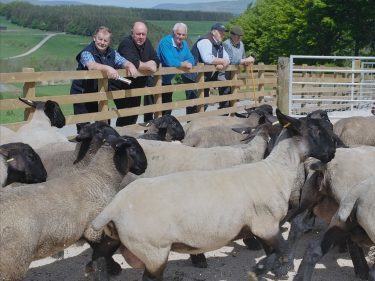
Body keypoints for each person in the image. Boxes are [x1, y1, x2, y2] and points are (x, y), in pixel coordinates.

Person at [70, 26, 138, 133]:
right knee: (84, 129)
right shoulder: (86, 52)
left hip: (100, 95)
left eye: (105, 40)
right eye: (100, 39)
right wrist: (108, 68)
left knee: (103, 126)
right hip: (82, 94)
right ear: (94, 38)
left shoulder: (112, 53)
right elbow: (91, 65)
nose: (102, 42)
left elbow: (123, 61)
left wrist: (130, 65)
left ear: (109, 41)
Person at [111, 21, 160, 126]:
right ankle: (121, 137)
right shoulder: (126, 43)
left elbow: (156, 60)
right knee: (126, 114)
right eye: (138, 34)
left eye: (143, 34)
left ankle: (128, 137)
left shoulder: (147, 43)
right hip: (121, 84)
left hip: (137, 85)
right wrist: (149, 65)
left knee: (134, 114)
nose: (141, 37)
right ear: (132, 33)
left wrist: (152, 64)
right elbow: (132, 61)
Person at [183, 22, 230, 114]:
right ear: (213, 32)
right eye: (221, 32)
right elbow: (207, 58)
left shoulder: (219, 44)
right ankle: (191, 126)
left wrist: (223, 64)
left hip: (203, 78)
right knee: (193, 104)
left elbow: (227, 58)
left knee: (204, 103)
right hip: (192, 77)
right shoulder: (205, 41)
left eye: (223, 32)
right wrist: (222, 61)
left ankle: (197, 124)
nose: (223, 34)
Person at [155, 22, 195, 116]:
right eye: (178, 34)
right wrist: (183, 64)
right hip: (155, 80)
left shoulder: (184, 44)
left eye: (183, 34)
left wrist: (188, 63)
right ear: (173, 32)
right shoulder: (165, 42)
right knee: (152, 110)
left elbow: (191, 59)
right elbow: (169, 61)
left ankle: (163, 130)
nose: (180, 37)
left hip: (167, 80)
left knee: (167, 109)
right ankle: (149, 131)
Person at [218, 25, 255, 108]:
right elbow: (230, 60)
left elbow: (243, 58)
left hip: (235, 75)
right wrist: (244, 60)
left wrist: (248, 62)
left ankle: (232, 116)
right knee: (225, 99)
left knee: (234, 99)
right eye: (236, 36)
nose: (239, 38)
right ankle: (224, 117)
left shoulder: (241, 44)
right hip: (225, 76)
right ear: (231, 35)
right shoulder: (226, 44)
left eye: (240, 36)